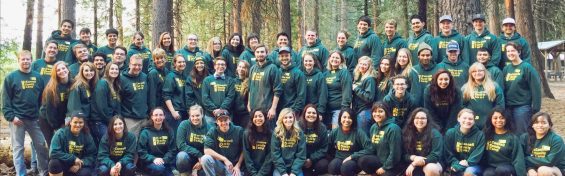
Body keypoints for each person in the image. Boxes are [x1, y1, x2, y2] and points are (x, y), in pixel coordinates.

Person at [2, 50, 49, 176]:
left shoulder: (38, 77)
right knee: (18, 148)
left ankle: (43, 172)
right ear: (18, 61)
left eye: (28, 59)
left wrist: (41, 114)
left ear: (31, 60)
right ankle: (21, 173)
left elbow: (42, 99)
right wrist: (11, 117)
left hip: (34, 119)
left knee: (41, 145)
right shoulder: (11, 78)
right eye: (23, 59)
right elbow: (6, 100)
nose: (25, 61)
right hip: (18, 119)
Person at [502, 42, 541, 134]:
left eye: (513, 50)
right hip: (508, 107)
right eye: (508, 51)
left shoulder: (527, 68)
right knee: (510, 132)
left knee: (521, 133)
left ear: (519, 52)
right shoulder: (506, 69)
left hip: (522, 107)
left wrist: (535, 109)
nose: (510, 53)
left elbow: (536, 89)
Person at [358, 102, 403, 176]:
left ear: (386, 113)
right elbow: (371, 149)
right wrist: (353, 156)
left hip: (394, 164)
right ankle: (376, 173)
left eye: (380, 111)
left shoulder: (393, 129)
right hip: (380, 161)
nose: (377, 114)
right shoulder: (373, 127)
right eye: (375, 111)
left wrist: (384, 168)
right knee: (362, 160)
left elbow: (395, 154)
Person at [48, 111, 97, 176]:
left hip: (78, 164)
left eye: (80, 122)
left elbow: (92, 155)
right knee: (53, 163)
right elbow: (53, 152)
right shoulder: (60, 133)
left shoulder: (87, 136)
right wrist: (73, 158)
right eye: (75, 122)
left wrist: (80, 164)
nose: (78, 125)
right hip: (64, 163)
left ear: (84, 123)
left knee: (85, 173)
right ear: (70, 122)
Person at [482, 108, 526, 176]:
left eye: (502, 118)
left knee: (501, 170)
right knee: (488, 174)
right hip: (491, 166)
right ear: (491, 119)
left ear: (506, 119)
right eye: (495, 118)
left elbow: (518, 159)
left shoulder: (512, 137)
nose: (498, 120)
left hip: (507, 167)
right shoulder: (486, 135)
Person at [248, 44, 283, 129]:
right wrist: (249, 104)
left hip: (267, 111)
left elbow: (277, 90)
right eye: (258, 52)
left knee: (269, 136)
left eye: (262, 52)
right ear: (255, 54)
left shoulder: (272, 68)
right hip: (254, 111)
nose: (260, 54)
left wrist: (273, 108)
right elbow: (250, 88)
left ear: (266, 53)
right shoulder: (253, 68)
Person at [462, 63, 505, 129]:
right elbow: (462, 106)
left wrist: (494, 118)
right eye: (474, 71)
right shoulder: (465, 88)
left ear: (485, 72)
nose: (477, 73)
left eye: (480, 70)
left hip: (490, 123)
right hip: (471, 123)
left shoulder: (494, 86)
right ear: (471, 74)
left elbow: (500, 105)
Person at [201, 110, 245, 176]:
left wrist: (238, 165)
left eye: (225, 120)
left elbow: (244, 150)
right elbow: (206, 150)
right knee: (205, 158)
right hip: (219, 165)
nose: (224, 123)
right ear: (217, 122)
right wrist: (224, 159)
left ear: (229, 120)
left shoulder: (238, 130)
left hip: (234, 167)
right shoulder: (213, 131)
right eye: (221, 121)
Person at [401, 108, 443, 176]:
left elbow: (435, 156)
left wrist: (415, 163)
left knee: (431, 168)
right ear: (412, 119)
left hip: (431, 163)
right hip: (413, 162)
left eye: (423, 118)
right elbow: (404, 155)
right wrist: (414, 158)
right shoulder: (407, 133)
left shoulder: (435, 133)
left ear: (427, 120)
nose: (420, 120)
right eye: (417, 118)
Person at [327, 108, 369, 176]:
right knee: (332, 167)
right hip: (339, 158)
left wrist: (352, 156)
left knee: (346, 169)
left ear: (353, 120)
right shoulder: (335, 132)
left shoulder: (359, 132)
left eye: (349, 118)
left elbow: (369, 148)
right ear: (340, 118)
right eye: (344, 117)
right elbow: (328, 146)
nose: (346, 120)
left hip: (353, 160)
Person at [521, 112, 565, 176]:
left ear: (550, 125)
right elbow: (520, 157)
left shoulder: (556, 139)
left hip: (555, 169)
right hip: (533, 167)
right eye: (537, 122)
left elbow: (549, 162)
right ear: (532, 125)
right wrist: (529, 169)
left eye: (544, 123)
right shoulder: (525, 137)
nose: (540, 125)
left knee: (543, 170)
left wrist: (527, 159)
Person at [444, 109, 486, 176]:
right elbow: (448, 153)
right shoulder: (450, 133)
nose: (467, 121)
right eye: (464, 118)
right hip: (455, 164)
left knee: (469, 172)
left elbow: (477, 155)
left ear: (474, 121)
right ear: (458, 119)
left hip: (473, 165)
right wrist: (456, 163)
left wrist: (462, 165)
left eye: (470, 119)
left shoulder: (480, 135)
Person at [40, 61, 72, 146]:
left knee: (64, 145)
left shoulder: (73, 84)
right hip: (48, 120)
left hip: (63, 119)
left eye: (63, 68)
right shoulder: (52, 88)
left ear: (68, 69)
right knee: (53, 145)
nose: (61, 71)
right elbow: (50, 110)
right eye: (58, 70)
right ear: (55, 73)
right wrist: (55, 127)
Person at [68, 62, 101, 144]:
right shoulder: (77, 86)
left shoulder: (92, 84)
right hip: (81, 120)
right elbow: (74, 106)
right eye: (86, 70)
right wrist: (80, 121)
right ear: (82, 72)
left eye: (91, 70)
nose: (89, 73)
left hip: (90, 119)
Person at [138, 107, 177, 176]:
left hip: (164, 162)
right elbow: (141, 152)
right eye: (156, 115)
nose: (158, 117)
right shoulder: (145, 132)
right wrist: (153, 159)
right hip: (150, 163)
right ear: (152, 117)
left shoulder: (169, 131)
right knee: (159, 168)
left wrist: (164, 160)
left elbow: (172, 150)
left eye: (161, 115)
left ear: (164, 116)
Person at [119, 54, 151, 136]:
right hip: (130, 119)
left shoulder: (144, 77)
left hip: (144, 118)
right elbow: (119, 100)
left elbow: (149, 97)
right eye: (134, 65)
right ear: (129, 64)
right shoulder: (122, 79)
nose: (137, 67)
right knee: (132, 143)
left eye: (139, 65)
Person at [271, 108, 307, 176]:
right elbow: (275, 155)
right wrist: (283, 173)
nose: (288, 120)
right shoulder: (276, 133)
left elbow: (301, 155)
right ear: (282, 119)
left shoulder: (299, 133)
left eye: (290, 117)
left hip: (295, 168)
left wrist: (294, 172)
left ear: (294, 118)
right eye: (285, 118)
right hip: (280, 168)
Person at [176, 105, 210, 176]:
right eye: (192, 116)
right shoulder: (184, 125)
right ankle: (185, 174)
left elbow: (211, 148)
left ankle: (196, 171)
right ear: (189, 116)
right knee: (181, 156)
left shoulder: (209, 128)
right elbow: (181, 145)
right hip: (188, 157)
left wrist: (201, 160)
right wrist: (198, 154)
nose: (195, 118)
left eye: (197, 115)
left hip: (203, 158)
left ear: (202, 115)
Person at [202, 58, 236, 125]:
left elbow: (230, 97)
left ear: (225, 67)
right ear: (214, 66)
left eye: (223, 64)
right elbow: (205, 97)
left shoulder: (230, 80)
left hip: (225, 115)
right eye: (218, 64)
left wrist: (221, 110)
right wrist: (214, 110)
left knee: (225, 135)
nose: (220, 66)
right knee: (210, 134)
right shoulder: (207, 80)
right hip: (210, 116)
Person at [325, 51, 353, 128]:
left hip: (339, 109)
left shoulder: (344, 72)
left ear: (341, 60)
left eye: (337, 58)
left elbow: (347, 91)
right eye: (333, 57)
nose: (335, 59)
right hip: (326, 110)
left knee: (335, 132)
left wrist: (344, 109)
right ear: (329, 59)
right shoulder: (325, 74)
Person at [299, 104, 329, 176]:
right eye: (309, 112)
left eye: (314, 113)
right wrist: (304, 159)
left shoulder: (322, 128)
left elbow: (324, 148)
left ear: (317, 115)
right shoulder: (298, 126)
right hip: (302, 158)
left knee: (323, 165)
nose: (311, 115)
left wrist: (311, 159)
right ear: (304, 114)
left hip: (316, 158)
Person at [352, 56, 377, 135]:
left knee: (363, 135)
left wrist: (356, 89)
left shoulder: (370, 79)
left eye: (365, 65)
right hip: (357, 110)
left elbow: (369, 97)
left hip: (365, 112)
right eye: (360, 64)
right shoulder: (358, 77)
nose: (362, 66)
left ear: (369, 67)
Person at [243, 109, 273, 176]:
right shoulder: (247, 133)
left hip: (265, 172)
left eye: (260, 116)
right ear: (252, 119)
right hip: (250, 171)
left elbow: (270, 156)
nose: (258, 118)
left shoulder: (270, 134)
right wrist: (253, 173)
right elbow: (246, 155)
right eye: (255, 116)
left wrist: (261, 174)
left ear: (265, 118)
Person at [278, 46, 307, 113]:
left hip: (293, 111)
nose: (284, 58)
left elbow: (301, 95)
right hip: (279, 111)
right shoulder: (278, 72)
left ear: (291, 57)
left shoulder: (298, 73)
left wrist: (295, 110)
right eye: (282, 56)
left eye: (286, 56)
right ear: (279, 58)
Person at [163, 54, 188, 130]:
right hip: (175, 112)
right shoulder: (171, 76)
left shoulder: (185, 76)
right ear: (174, 64)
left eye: (183, 62)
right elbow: (166, 95)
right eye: (179, 62)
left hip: (184, 111)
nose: (182, 64)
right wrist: (173, 111)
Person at [232, 60, 251, 127]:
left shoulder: (249, 82)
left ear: (247, 69)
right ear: (237, 68)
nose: (241, 69)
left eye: (244, 67)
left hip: (245, 114)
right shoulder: (232, 81)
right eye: (240, 66)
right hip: (234, 113)